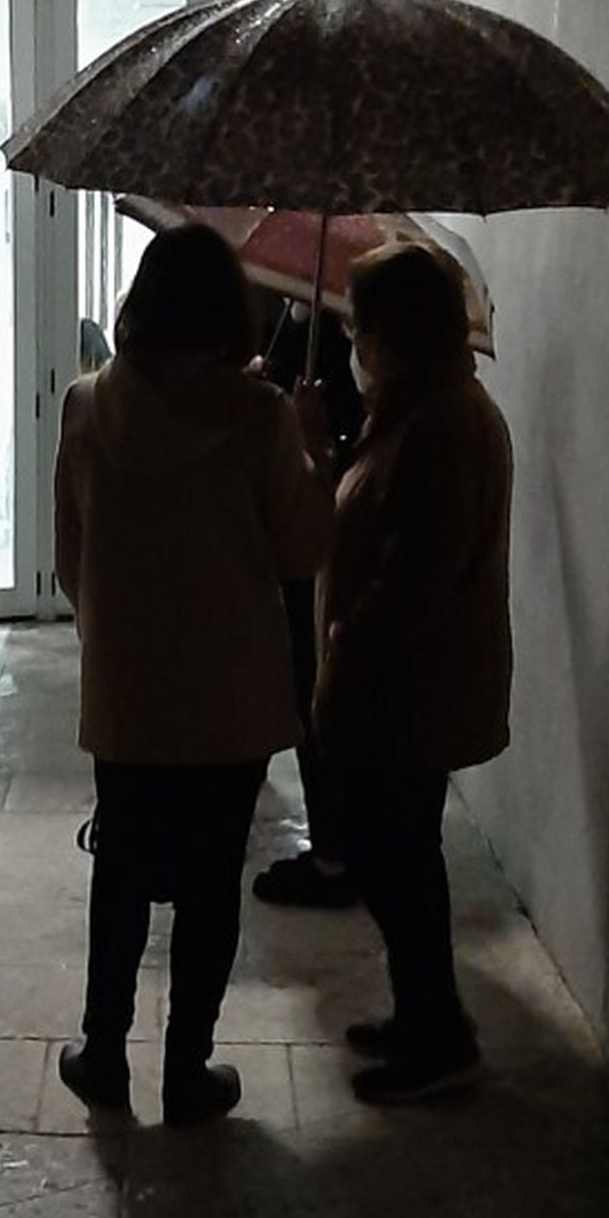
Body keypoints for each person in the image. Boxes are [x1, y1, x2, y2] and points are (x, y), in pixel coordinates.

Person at [54, 228, 334, 1125]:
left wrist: (120, 633)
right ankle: (187, 1069)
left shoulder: (86, 404)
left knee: (121, 870)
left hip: (128, 691)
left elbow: (70, 561)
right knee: (213, 882)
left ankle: (104, 1052)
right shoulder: (261, 416)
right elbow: (301, 552)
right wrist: (316, 453)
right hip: (231, 695)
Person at [310, 240, 513, 1106]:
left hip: (405, 689)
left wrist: (348, 644)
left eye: (360, 325)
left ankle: (438, 1037)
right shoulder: (417, 410)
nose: (354, 341)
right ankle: (422, 1015)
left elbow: (415, 579)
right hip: (405, 686)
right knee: (400, 859)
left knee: (398, 867)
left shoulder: (439, 427)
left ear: (395, 331)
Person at [252, 293, 365, 909]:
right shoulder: (286, 317)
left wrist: (310, 434)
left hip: (321, 540)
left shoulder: (340, 335)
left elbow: (338, 429)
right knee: (303, 692)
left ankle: (335, 853)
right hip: (301, 535)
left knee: (315, 695)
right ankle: (332, 843)